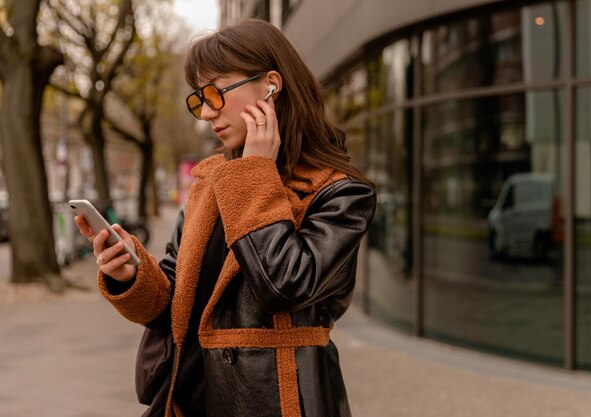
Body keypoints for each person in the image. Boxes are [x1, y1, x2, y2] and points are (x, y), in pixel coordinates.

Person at [74, 18, 376, 417]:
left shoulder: (340, 193)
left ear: (271, 84)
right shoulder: (209, 185)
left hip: (276, 403)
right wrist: (130, 273)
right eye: (199, 98)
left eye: (216, 92)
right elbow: (173, 306)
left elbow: (284, 286)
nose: (205, 112)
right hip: (191, 400)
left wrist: (254, 173)